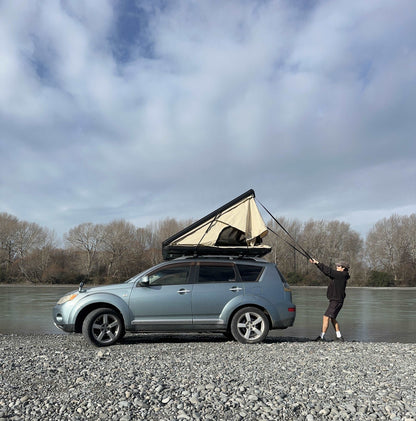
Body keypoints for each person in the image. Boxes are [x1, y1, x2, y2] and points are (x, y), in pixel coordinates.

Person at [309, 258, 350, 341]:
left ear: (343, 268)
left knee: (326, 317)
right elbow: (328, 272)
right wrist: (316, 263)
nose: (337, 267)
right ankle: (339, 336)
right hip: (337, 300)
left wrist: (317, 262)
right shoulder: (341, 276)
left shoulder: (340, 275)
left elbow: (328, 271)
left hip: (336, 301)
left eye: (338, 266)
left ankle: (321, 336)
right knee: (332, 318)